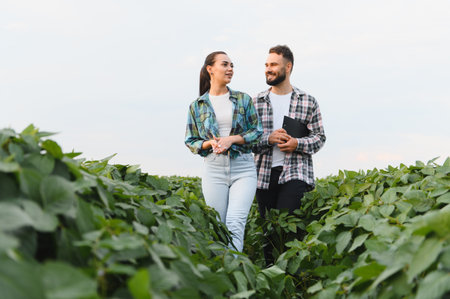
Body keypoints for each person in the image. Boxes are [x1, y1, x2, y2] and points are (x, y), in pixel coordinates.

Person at [253, 45, 326, 263]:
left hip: (295, 173)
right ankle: (271, 280)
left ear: (288, 66)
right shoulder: (255, 102)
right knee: (269, 233)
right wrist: (268, 139)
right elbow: (246, 141)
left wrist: (297, 143)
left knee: (288, 229)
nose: (268, 69)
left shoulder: (307, 100)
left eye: (273, 64)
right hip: (263, 175)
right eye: (266, 65)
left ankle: (291, 280)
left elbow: (320, 137)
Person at [185, 51, 262, 253]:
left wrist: (231, 139)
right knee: (217, 227)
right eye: (225, 64)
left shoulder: (243, 99)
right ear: (210, 69)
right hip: (214, 170)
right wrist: (210, 143)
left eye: (232, 65)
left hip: (243, 168)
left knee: (235, 223)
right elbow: (191, 141)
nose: (230, 69)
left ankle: (235, 272)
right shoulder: (197, 106)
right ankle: (221, 272)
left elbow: (257, 132)